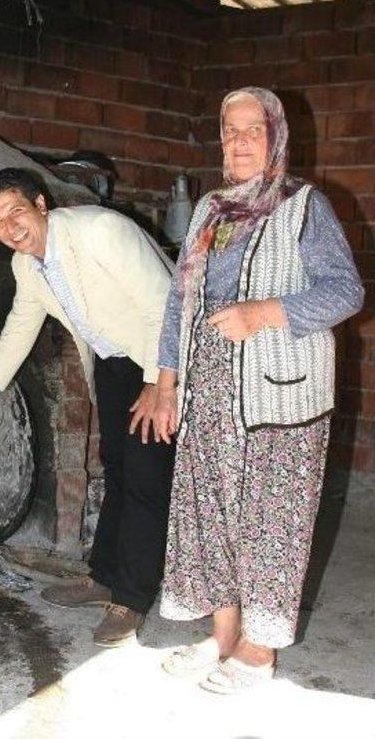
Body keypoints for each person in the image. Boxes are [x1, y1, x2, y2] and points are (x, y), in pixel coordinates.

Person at [146, 86, 364, 693]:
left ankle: (260, 648)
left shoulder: (304, 206)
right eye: (229, 130)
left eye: (252, 130)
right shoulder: (210, 207)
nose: (239, 142)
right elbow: (179, 299)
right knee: (209, 511)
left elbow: (346, 293)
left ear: (276, 138)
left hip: (280, 392)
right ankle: (220, 634)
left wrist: (264, 312)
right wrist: (165, 384)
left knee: (271, 519)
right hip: (207, 382)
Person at [0, 167, 175, 646]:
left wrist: (159, 385)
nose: (10, 228)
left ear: (41, 204)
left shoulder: (100, 231)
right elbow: (17, 332)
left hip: (162, 358)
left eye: (16, 212)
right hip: (115, 364)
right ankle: (104, 575)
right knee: (119, 468)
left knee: (147, 478)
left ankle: (130, 598)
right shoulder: (28, 265)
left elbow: (166, 307)